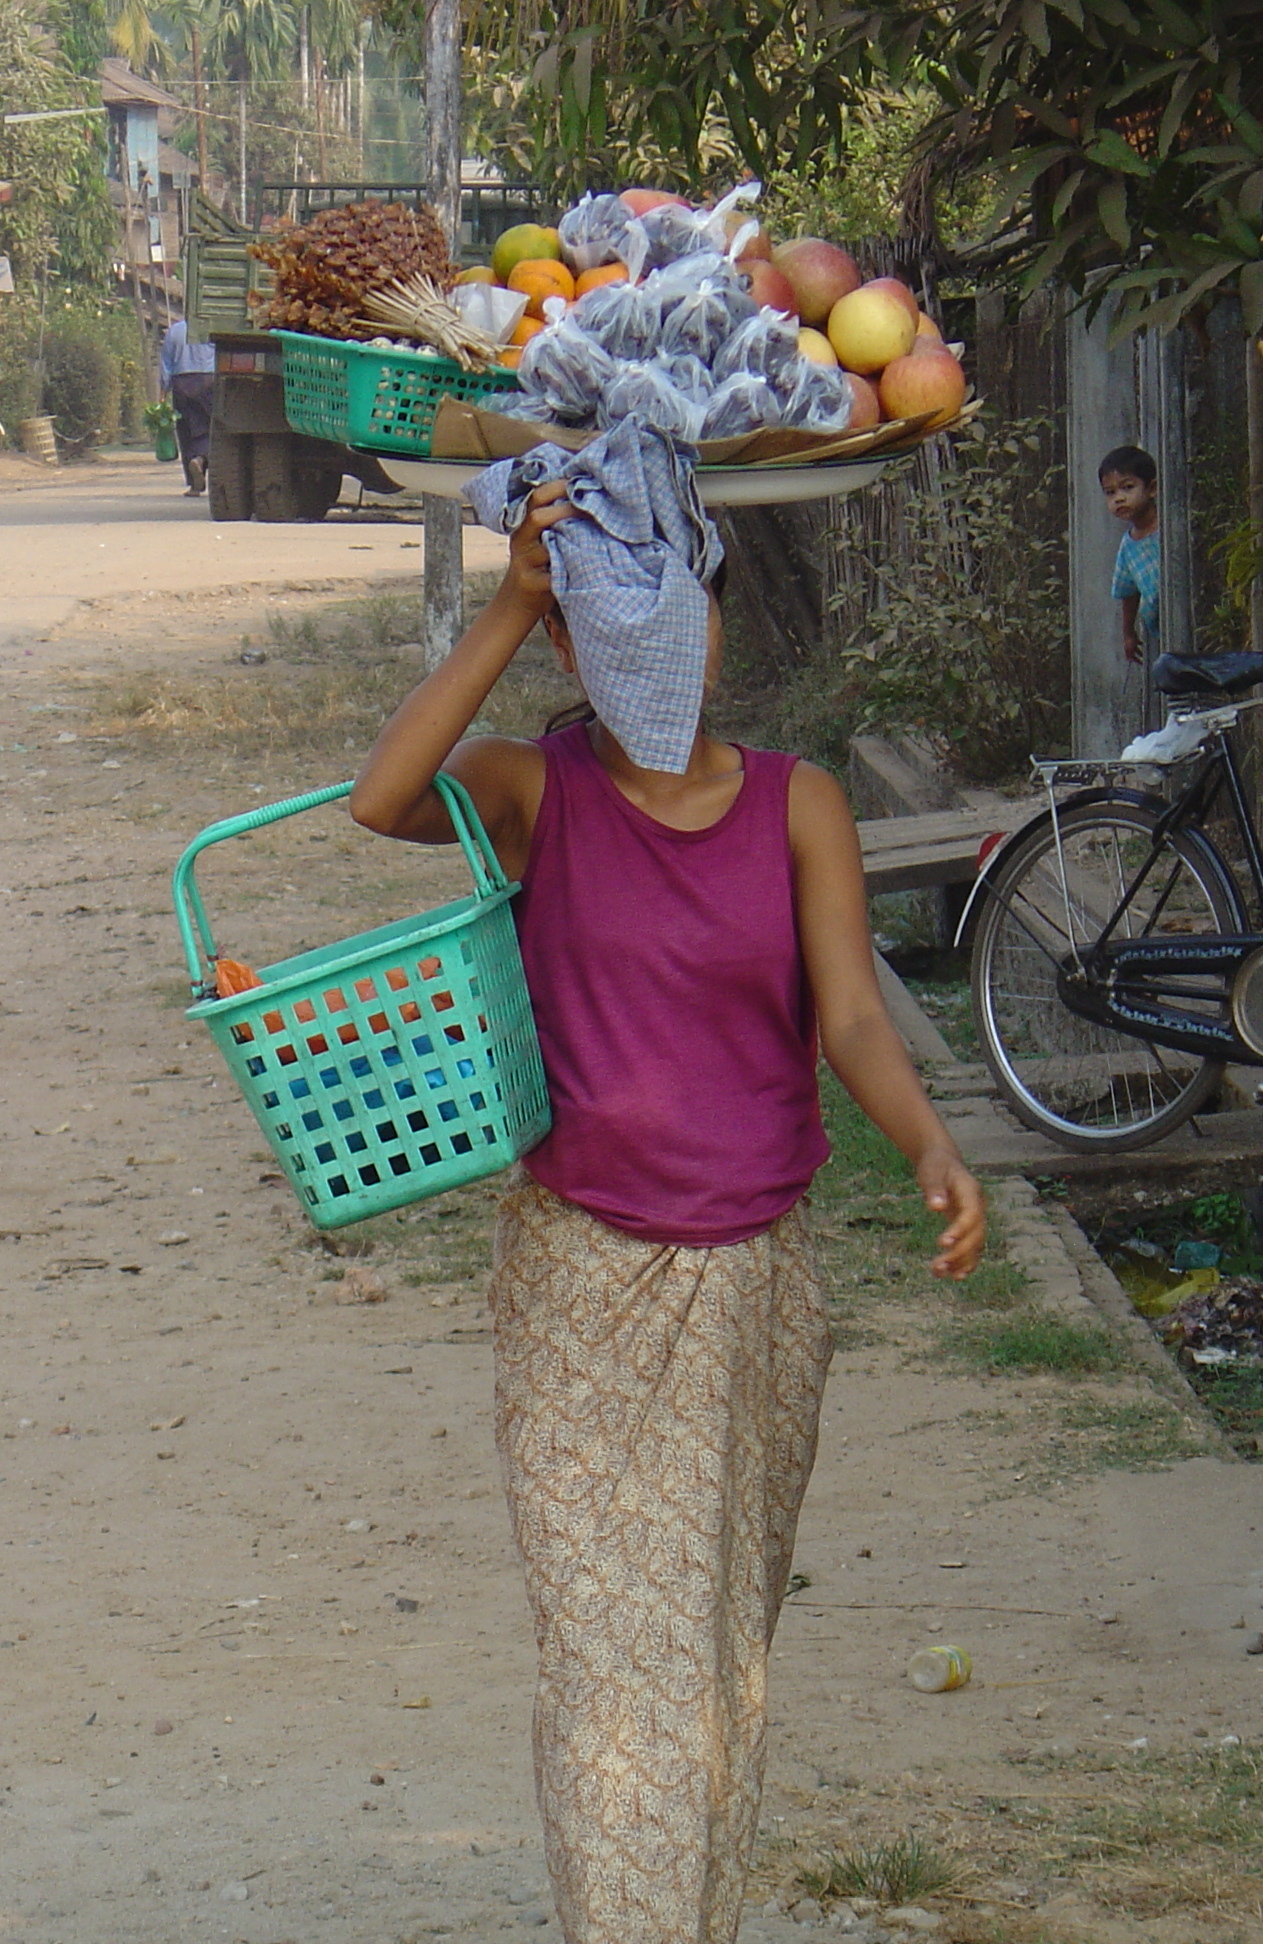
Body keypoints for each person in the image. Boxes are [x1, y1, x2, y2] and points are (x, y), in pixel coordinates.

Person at [347, 460, 984, 1944]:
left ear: (715, 625)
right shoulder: (531, 791)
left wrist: (928, 1146)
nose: (664, 653)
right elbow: (383, 799)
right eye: (610, 625)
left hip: (760, 1284)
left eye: (684, 617)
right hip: (584, 1281)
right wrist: (508, 599)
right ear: (572, 643)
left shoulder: (799, 805)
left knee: (713, 1652)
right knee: (610, 1656)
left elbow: (856, 1021)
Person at [1103, 443, 1160, 666]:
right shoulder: (1128, 546)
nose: (1119, 498)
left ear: (1152, 489)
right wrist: (1128, 633)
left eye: (1128, 487)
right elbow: (1128, 592)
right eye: (1110, 492)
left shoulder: (1169, 529)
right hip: (1162, 630)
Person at [158, 313, 216, 495]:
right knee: (210, 426)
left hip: (181, 383)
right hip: (208, 380)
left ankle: (194, 484)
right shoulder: (210, 328)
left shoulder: (174, 331)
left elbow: (166, 364)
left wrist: (163, 393)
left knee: (186, 430)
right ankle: (201, 459)